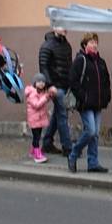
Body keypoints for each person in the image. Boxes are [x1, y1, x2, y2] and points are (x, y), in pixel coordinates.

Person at [67, 33, 111, 174]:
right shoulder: (81, 60)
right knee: (91, 131)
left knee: (96, 134)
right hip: (85, 104)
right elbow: (73, 81)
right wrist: (83, 97)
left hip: (98, 104)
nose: (94, 45)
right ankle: (73, 154)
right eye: (91, 42)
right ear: (85, 45)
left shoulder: (101, 62)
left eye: (95, 42)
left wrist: (106, 97)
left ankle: (93, 163)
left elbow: (106, 81)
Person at [39, 27, 73, 156]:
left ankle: (47, 142)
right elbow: (43, 66)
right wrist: (49, 85)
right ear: (54, 28)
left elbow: (69, 65)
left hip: (65, 86)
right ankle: (68, 148)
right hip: (55, 87)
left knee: (57, 114)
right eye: (61, 25)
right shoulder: (47, 45)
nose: (65, 28)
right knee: (63, 115)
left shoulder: (66, 44)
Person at [25, 73, 56, 164]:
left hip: (39, 119)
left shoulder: (41, 92)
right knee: (36, 137)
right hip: (34, 119)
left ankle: (33, 151)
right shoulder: (32, 93)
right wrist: (46, 97)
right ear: (35, 83)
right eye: (39, 81)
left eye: (43, 81)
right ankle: (37, 155)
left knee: (37, 136)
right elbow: (37, 105)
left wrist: (49, 95)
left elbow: (44, 101)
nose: (41, 83)